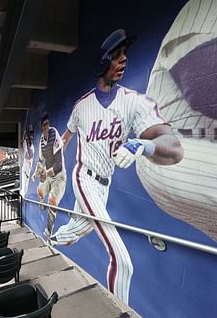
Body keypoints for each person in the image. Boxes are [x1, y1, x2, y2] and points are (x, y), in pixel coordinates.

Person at [50, 29, 184, 303]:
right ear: (102, 61)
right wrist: (57, 149)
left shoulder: (133, 102)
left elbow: (173, 146)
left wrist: (142, 145)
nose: (123, 60)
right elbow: (67, 135)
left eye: (126, 55)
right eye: (116, 55)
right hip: (83, 178)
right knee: (122, 260)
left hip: (104, 184)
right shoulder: (81, 106)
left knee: (80, 229)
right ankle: (119, 309)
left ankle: (53, 240)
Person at [31, 112, 66, 239]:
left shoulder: (54, 134)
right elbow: (40, 161)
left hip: (58, 176)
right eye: (44, 125)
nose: (46, 127)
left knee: (52, 199)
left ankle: (48, 231)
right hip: (47, 173)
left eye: (47, 124)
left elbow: (59, 165)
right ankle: (41, 206)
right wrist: (36, 173)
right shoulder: (41, 139)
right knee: (39, 191)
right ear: (41, 127)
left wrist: (46, 173)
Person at [21, 124, 35, 197]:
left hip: (28, 173)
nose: (31, 136)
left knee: (26, 191)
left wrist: (26, 140)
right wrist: (25, 139)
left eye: (32, 134)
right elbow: (27, 155)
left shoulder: (32, 147)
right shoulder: (25, 144)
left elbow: (30, 155)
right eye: (30, 134)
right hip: (24, 171)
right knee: (23, 192)